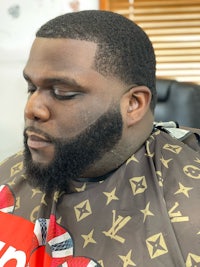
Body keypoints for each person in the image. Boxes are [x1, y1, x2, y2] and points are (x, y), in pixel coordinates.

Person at [0, 10, 200, 267]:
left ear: (133, 104)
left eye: (62, 92)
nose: (32, 109)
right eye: (32, 88)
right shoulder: (10, 173)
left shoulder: (189, 210)